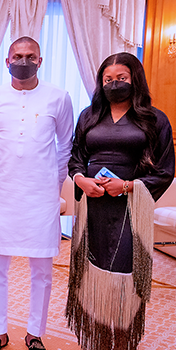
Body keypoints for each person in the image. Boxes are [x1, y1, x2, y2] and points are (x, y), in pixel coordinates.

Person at [65, 52, 174, 350]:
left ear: (135, 79)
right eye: (108, 79)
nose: (114, 84)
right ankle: (98, 343)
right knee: (93, 280)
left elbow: (164, 171)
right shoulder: (89, 115)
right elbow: (76, 159)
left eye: (121, 79)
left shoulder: (154, 118)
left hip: (130, 210)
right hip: (93, 208)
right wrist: (81, 180)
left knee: (125, 279)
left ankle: (124, 343)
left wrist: (126, 186)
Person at [0, 36, 74, 350]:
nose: (24, 60)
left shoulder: (59, 98)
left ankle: (35, 333)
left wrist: (52, 185)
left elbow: (66, 148)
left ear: (40, 61)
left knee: (42, 269)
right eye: (17, 56)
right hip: (2, 195)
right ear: (7, 62)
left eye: (30, 56)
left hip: (41, 197)